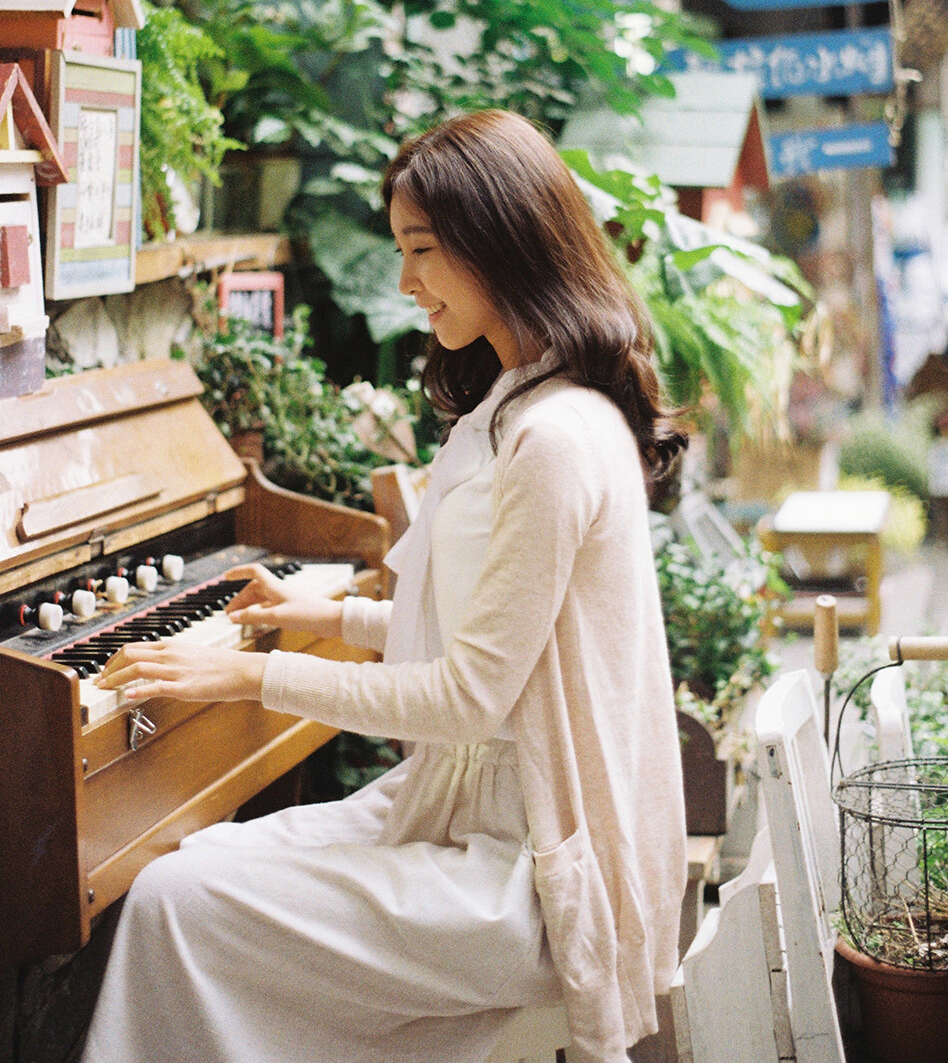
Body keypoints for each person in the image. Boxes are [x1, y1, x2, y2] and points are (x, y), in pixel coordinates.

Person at [84, 109, 688, 1063]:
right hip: (473, 810)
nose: (405, 280)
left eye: (423, 249)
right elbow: (487, 635)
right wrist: (323, 613)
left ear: (501, 241)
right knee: (198, 866)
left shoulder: (553, 437)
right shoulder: (529, 402)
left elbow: (466, 693)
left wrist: (244, 678)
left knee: (175, 898)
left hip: (522, 869)